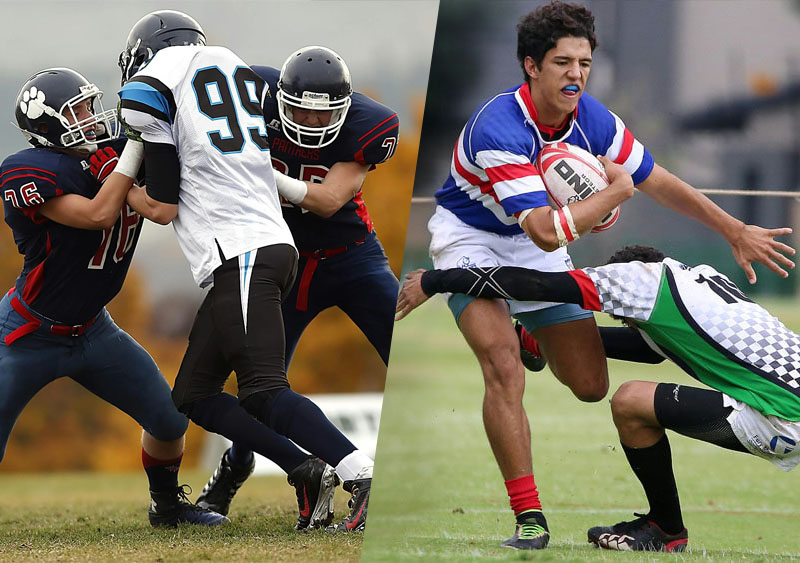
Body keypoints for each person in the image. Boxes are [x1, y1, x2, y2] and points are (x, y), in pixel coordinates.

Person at [423, 0, 794, 550]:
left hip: (537, 237)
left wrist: (733, 229)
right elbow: (548, 231)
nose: (576, 74)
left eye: (585, 63)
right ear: (531, 66)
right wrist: (609, 196)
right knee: (503, 366)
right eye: (563, 63)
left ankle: (534, 337)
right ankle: (530, 517)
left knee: (592, 386)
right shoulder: (498, 127)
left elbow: (658, 180)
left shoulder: (591, 118)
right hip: (471, 238)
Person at [116, 10, 373, 532]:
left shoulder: (159, 75)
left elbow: (163, 204)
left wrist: (125, 182)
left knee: (263, 390)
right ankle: (304, 471)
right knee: (193, 396)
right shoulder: (232, 65)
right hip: (261, 248)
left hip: (242, 251)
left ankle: (361, 473)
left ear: (148, 52)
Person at [397, 241, 800, 552]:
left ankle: (664, 529)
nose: (620, 319)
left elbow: (535, 284)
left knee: (628, 403)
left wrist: (436, 281)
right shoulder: (695, 279)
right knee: (637, 396)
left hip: (782, 418)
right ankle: (665, 528)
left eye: (620, 314)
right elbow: (648, 349)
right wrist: (539, 340)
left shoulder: (633, 279)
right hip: (787, 400)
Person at [0, 67, 227, 528]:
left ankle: (166, 507)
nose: (90, 117)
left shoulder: (112, 153)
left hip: (94, 329)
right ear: (46, 125)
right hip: (29, 332)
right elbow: (98, 214)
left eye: (89, 105)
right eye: (76, 110)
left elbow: (159, 210)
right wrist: (133, 151)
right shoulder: (28, 170)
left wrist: (153, 136)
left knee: (169, 419)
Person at [197, 45, 399, 523]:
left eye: (322, 109)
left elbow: (328, 200)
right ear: (280, 97)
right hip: (283, 263)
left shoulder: (370, 125)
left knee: (408, 355)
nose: (310, 118)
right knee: (259, 388)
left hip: (353, 260)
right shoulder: (252, 94)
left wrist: (260, 172)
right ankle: (235, 466)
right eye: (300, 106)